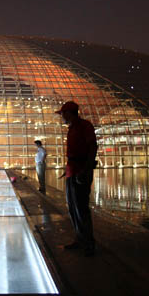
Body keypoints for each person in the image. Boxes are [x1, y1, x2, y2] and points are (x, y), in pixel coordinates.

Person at [55, 101, 98, 256]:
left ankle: (88, 243)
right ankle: (80, 239)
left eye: (63, 114)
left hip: (80, 171)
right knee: (72, 208)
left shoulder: (85, 126)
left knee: (81, 208)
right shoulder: (71, 128)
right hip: (71, 171)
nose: (61, 117)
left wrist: (85, 170)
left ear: (69, 113)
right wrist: (67, 170)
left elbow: (93, 147)